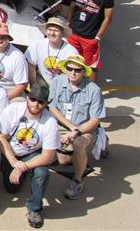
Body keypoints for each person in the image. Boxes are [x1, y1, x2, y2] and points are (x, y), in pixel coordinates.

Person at [0, 82, 60, 228]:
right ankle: (21, 174)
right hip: (12, 153)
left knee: (42, 172)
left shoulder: (50, 122)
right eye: (33, 99)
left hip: (33, 153)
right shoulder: (13, 110)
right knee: (10, 188)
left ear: (45, 104)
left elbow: (48, 156)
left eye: (41, 102)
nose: (36, 104)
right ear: (27, 98)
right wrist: (13, 162)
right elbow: (0, 137)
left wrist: (21, 167)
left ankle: (35, 208)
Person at [47, 54, 104, 202]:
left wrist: (76, 131)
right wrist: (71, 128)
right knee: (64, 161)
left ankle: (78, 181)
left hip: (85, 130)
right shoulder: (56, 82)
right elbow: (52, 108)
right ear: (65, 69)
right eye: (69, 68)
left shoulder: (94, 90)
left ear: (84, 72)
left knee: (78, 144)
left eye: (77, 70)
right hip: (64, 127)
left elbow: (95, 119)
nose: (73, 72)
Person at [66, 0, 114, 77]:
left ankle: (90, 92)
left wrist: (98, 37)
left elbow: (108, 18)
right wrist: (68, 22)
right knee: (72, 62)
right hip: (73, 33)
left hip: (90, 37)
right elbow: (72, 6)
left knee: (91, 65)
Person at [26, 17, 79, 86]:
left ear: (62, 33)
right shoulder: (37, 45)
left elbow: (75, 74)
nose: (52, 33)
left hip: (63, 85)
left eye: (56, 30)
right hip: (42, 82)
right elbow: (31, 66)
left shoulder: (72, 51)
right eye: (49, 29)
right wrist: (33, 87)